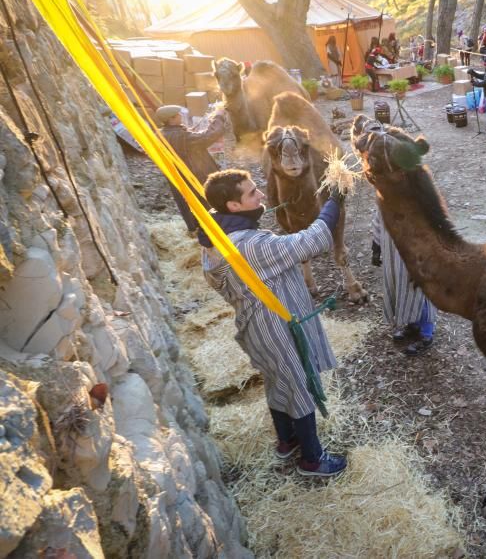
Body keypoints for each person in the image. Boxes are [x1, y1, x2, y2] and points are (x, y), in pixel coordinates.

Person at [200, 169, 347, 478]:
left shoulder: (213, 240)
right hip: (276, 327)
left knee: (277, 380)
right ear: (233, 206)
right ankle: (312, 459)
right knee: (298, 384)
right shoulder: (248, 245)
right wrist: (334, 197)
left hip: (256, 328)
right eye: (253, 193)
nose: (262, 195)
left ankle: (287, 440)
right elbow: (313, 240)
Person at [370, 210, 438, 355]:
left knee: (419, 289)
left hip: (414, 253)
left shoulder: (416, 195)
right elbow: (378, 219)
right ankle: (413, 323)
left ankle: (427, 334)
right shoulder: (385, 194)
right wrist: (376, 248)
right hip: (392, 252)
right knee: (402, 287)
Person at [156, 104, 225, 235]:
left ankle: (196, 229)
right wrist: (218, 116)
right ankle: (213, 232)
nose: (181, 116)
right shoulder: (181, 137)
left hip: (177, 175)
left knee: (186, 203)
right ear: (171, 119)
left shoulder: (161, 133)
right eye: (178, 115)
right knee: (205, 201)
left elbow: (183, 140)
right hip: (193, 174)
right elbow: (209, 136)